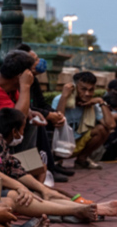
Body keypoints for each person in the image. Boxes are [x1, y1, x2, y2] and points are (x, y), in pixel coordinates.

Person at [0, 87, 100, 222]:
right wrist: (20, 186)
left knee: (38, 192)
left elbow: (12, 166)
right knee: (16, 195)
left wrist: (42, 189)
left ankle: (87, 208)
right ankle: (76, 210)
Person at [0, 108, 117, 218]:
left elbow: (15, 170)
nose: (23, 134)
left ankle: (90, 207)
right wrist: (21, 187)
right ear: (15, 131)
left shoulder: (1, 145)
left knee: (43, 191)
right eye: (23, 129)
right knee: (23, 195)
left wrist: (42, 188)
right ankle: (79, 210)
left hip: (5, 186)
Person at [14, 44, 73, 181]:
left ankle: (52, 163)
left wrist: (53, 114)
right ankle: (46, 168)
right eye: (34, 60)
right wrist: (47, 115)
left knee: (53, 121)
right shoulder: (19, 80)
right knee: (37, 123)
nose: (39, 62)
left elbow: (40, 103)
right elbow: (25, 106)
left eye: (37, 58)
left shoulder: (33, 80)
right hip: (21, 118)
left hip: (30, 113)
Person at [52, 72, 116, 170]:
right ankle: (57, 160)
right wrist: (64, 97)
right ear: (74, 87)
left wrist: (101, 102)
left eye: (91, 90)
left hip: (77, 145)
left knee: (102, 129)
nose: (87, 94)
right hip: (60, 146)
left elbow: (110, 125)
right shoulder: (60, 99)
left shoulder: (92, 104)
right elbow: (57, 121)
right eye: (83, 89)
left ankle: (82, 159)